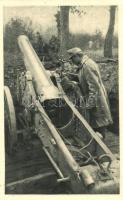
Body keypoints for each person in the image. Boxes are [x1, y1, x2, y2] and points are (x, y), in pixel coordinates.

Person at [63, 47, 113, 139]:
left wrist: (89, 106)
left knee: (99, 125)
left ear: (77, 56)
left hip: (96, 100)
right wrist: (70, 76)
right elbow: (83, 77)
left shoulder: (87, 66)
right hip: (94, 99)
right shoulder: (84, 64)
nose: (72, 62)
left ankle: (100, 149)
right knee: (97, 124)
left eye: (72, 59)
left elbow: (94, 88)